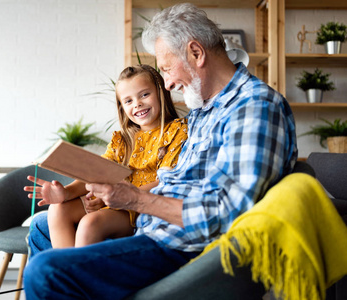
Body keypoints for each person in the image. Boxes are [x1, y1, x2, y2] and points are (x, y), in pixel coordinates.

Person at [23, 3, 298, 300]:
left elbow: (225, 214)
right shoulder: (206, 109)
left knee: (46, 271)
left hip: (181, 247)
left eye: (166, 69)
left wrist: (136, 199)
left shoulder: (254, 107)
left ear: (196, 53)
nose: (166, 83)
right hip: (156, 229)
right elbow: (177, 178)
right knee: (42, 227)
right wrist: (118, 192)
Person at [25, 64, 187, 248]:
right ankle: (68, 273)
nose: (137, 104)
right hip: (114, 203)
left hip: (142, 207)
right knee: (57, 210)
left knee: (89, 224)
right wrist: (66, 192)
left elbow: (167, 179)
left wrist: (117, 197)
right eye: (128, 101)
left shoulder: (176, 131)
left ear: (161, 93)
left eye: (144, 95)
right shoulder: (123, 140)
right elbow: (97, 173)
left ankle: (77, 272)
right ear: (122, 107)